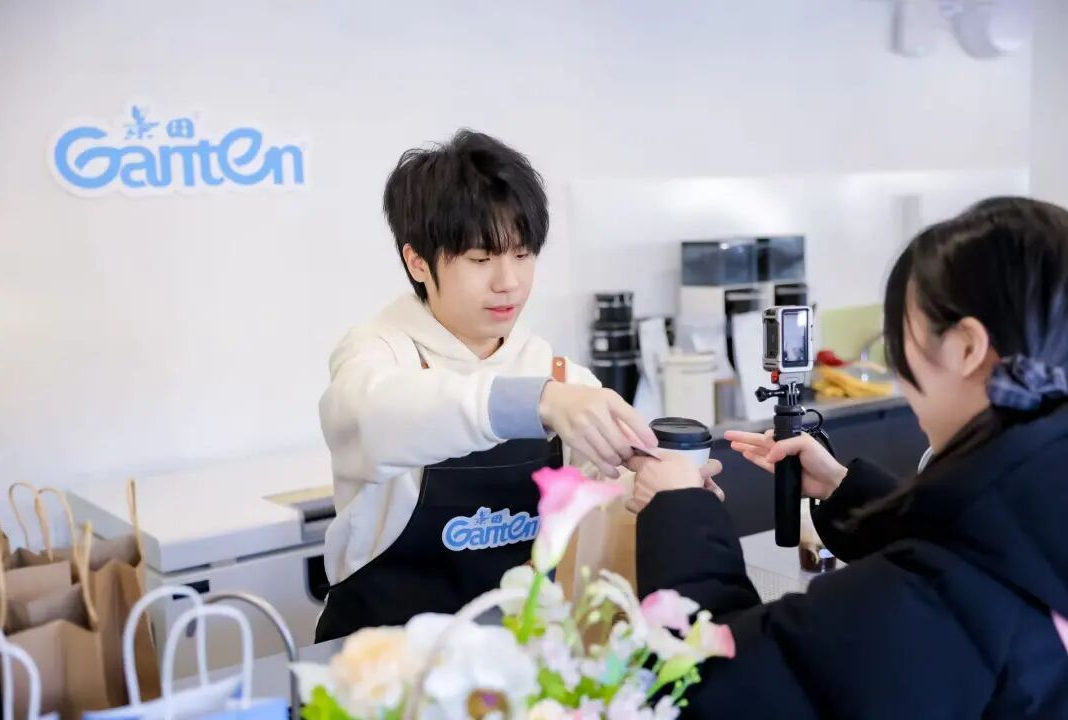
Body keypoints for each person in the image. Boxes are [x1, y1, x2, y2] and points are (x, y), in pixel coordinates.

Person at [627, 197, 1068, 717]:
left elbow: (706, 685)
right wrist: (846, 490)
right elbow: (976, 542)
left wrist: (678, 509)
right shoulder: (1034, 518)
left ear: (966, 347)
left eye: (901, 334)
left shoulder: (951, 594)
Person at [315, 129, 656, 642]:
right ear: (417, 261)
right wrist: (535, 402)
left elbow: (607, 488)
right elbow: (370, 417)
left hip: (510, 656)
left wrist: (653, 481)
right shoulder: (378, 351)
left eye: (522, 255)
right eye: (481, 259)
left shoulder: (557, 372)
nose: (508, 282)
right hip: (380, 656)